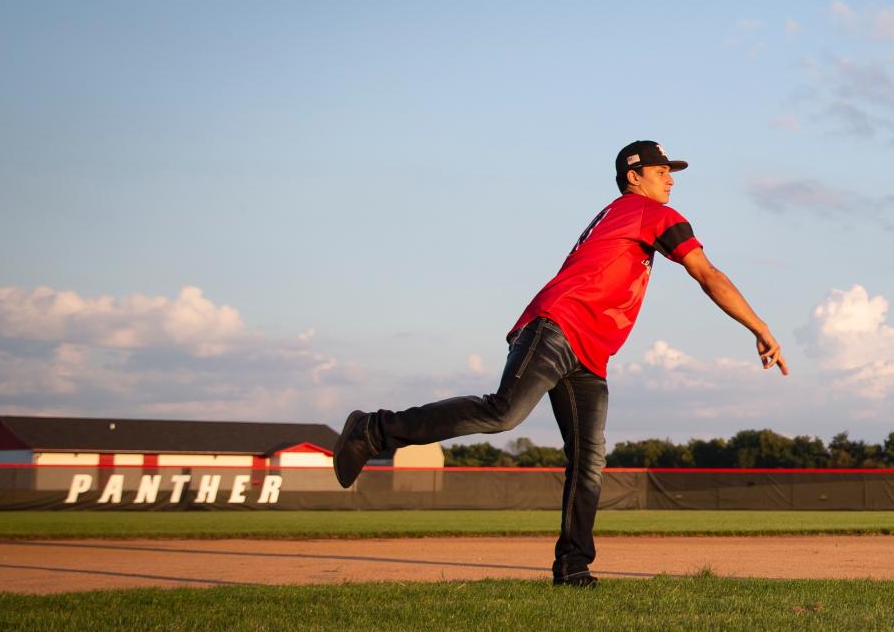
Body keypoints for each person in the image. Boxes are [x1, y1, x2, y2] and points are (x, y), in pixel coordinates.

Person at [330, 140, 789, 587]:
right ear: (634, 177)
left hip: (590, 351)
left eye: (672, 171)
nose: (671, 179)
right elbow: (707, 273)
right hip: (559, 326)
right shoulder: (649, 211)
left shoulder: (621, 213)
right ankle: (373, 429)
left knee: (588, 459)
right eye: (661, 170)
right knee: (502, 413)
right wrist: (760, 327)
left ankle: (573, 567)